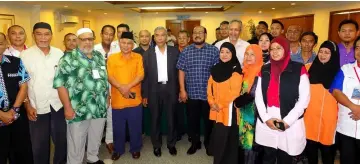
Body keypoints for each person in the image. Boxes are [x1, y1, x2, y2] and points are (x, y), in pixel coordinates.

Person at [53, 28, 109, 164]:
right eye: (84, 39)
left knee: (96, 136)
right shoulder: (67, 59)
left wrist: (107, 98)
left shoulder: (98, 56)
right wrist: (67, 107)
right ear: (78, 41)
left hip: (99, 106)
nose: (88, 42)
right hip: (78, 108)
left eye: (90, 39)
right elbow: (60, 85)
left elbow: (104, 79)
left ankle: (92, 158)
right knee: (76, 142)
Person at [255, 36, 310, 164]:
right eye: (272, 49)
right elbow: (258, 96)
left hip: (289, 118)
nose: (275, 52)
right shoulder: (265, 69)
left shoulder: (298, 69)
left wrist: (287, 121)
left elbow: (304, 99)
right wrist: (266, 118)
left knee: (284, 156)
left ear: (286, 49)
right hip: (268, 117)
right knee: (268, 155)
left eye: (278, 48)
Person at [20, 22, 67, 164]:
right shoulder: (25, 55)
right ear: (33, 35)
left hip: (58, 104)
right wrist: (27, 105)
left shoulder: (59, 53)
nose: (43, 38)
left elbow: (64, 80)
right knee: (39, 145)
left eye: (47, 34)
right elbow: (22, 84)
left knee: (61, 141)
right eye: (39, 34)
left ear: (51, 35)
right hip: (37, 106)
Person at [177, 26, 219, 155]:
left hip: (208, 95)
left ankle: (208, 143)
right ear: (192, 35)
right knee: (192, 121)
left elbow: (218, 73)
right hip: (192, 94)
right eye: (195, 32)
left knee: (209, 122)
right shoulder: (186, 51)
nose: (197, 35)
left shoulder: (213, 50)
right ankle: (195, 143)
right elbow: (181, 71)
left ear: (205, 35)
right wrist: (182, 90)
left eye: (200, 32)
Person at [143, 26, 180, 157]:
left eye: (162, 35)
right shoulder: (147, 54)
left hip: (171, 88)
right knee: (155, 119)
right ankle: (156, 145)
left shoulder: (174, 51)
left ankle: (171, 144)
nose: (160, 38)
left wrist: (180, 91)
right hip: (154, 89)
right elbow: (145, 76)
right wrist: (145, 95)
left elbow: (179, 73)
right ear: (154, 37)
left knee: (171, 119)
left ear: (166, 37)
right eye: (157, 35)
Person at [107, 32, 144, 160]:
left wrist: (126, 87)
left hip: (134, 99)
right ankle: (118, 149)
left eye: (129, 43)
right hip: (118, 99)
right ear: (119, 43)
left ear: (133, 44)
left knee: (135, 126)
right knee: (118, 127)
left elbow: (140, 75)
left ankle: (135, 148)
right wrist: (121, 87)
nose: (126, 46)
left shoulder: (138, 57)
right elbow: (110, 76)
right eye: (124, 43)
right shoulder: (112, 58)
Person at [304, 40, 340, 164]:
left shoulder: (339, 73)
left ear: (333, 55)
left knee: (327, 150)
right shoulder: (308, 68)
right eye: (321, 51)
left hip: (330, 118)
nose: (323, 55)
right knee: (311, 148)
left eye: (327, 52)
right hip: (310, 116)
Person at [0, 32, 33, 164]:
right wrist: (1, 114)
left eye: (0, 43)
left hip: (16, 116)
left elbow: (23, 86)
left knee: (21, 154)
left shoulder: (16, 62)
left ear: (6, 44)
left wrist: (14, 110)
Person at [207, 42, 243, 164]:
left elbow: (234, 93)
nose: (224, 55)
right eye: (222, 52)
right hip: (216, 109)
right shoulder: (215, 68)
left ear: (233, 54)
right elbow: (209, 87)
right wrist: (211, 102)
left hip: (229, 111)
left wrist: (220, 105)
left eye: (228, 52)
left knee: (228, 138)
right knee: (219, 137)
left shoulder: (236, 70)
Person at [330, 36, 360, 164]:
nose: (359, 51)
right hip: (347, 125)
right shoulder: (345, 69)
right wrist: (354, 107)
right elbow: (336, 91)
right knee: (347, 159)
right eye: (357, 48)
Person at [236, 45, 264, 164]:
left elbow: (253, 93)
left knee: (251, 142)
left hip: (254, 113)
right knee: (245, 141)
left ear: (258, 56)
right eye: (247, 54)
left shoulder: (261, 72)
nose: (248, 57)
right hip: (245, 112)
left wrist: (236, 102)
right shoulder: (246, 70)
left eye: (252, 54)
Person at [93, 24, 117, 154]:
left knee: (111, 115)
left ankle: (109, 140)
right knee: (98, 117)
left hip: (113, 86)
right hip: (97, 87)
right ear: (101, 34)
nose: (108, 36)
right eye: (106, 33)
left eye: (111, 34)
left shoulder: (116, 49)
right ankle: (94, 145)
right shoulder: (94, 49)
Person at [175, 30, 191, 141]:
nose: (181, 40)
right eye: (179, 38)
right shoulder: (173, 52)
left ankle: (191, 133)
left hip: (191, 85)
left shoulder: (192, 51)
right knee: (178, 111)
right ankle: (179, 132)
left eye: (184, 38)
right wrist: (180, 89)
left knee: (191, 111)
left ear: (189, 39)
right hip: (176, 86)